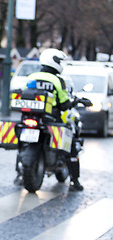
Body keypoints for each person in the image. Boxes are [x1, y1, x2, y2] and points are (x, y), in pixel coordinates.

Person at [24, 48, 83, 191]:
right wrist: (74, 102)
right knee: (72, 145)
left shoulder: (31, 77)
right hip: (51, 119)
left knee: (23, 143)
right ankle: (75, 181)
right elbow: (63, 104)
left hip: (30, 117)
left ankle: (19, 174)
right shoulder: (58, 80)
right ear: (55, 62)